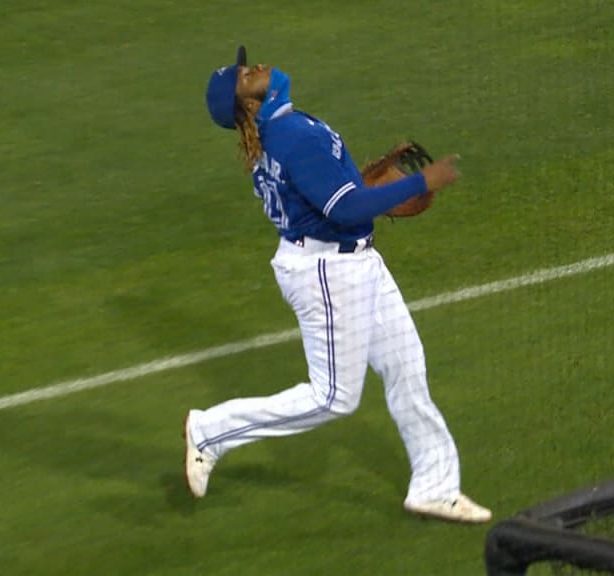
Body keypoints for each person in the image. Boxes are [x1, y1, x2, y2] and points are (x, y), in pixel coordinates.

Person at [184, 46, 491, 523]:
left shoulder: (281, 127)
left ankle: (435, 487)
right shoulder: (287, 134)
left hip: (352, 261)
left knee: (406, 366)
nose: (256, 68)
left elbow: (329, 196)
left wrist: (363, 181)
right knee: (333, 397)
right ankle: (211, 431)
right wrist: (421, 181)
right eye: (246, 77)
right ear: (247, 104)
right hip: (327, 271)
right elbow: (344, 210)